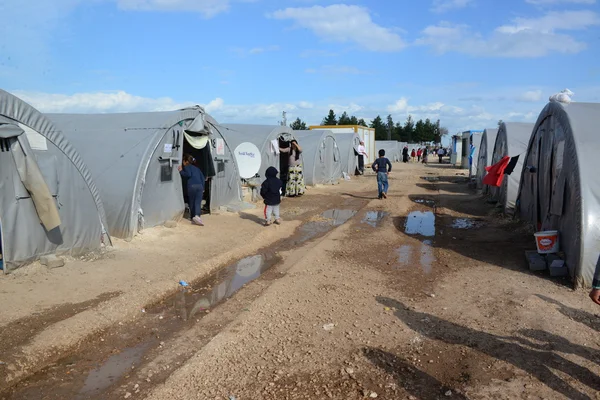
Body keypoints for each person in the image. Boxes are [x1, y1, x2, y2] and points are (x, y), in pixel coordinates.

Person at [178, 154, 205, 226]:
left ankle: (194, 217)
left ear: (186, 161)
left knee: (192, 202)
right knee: (198, 202)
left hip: (192, 186)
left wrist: (181, 171)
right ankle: (197, 216)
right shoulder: (197, 169)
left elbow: (188, 174)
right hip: (200, 186)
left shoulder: (187, 167)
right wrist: (203, 188)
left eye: (183, 161)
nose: (183, 163)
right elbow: (202, 178)